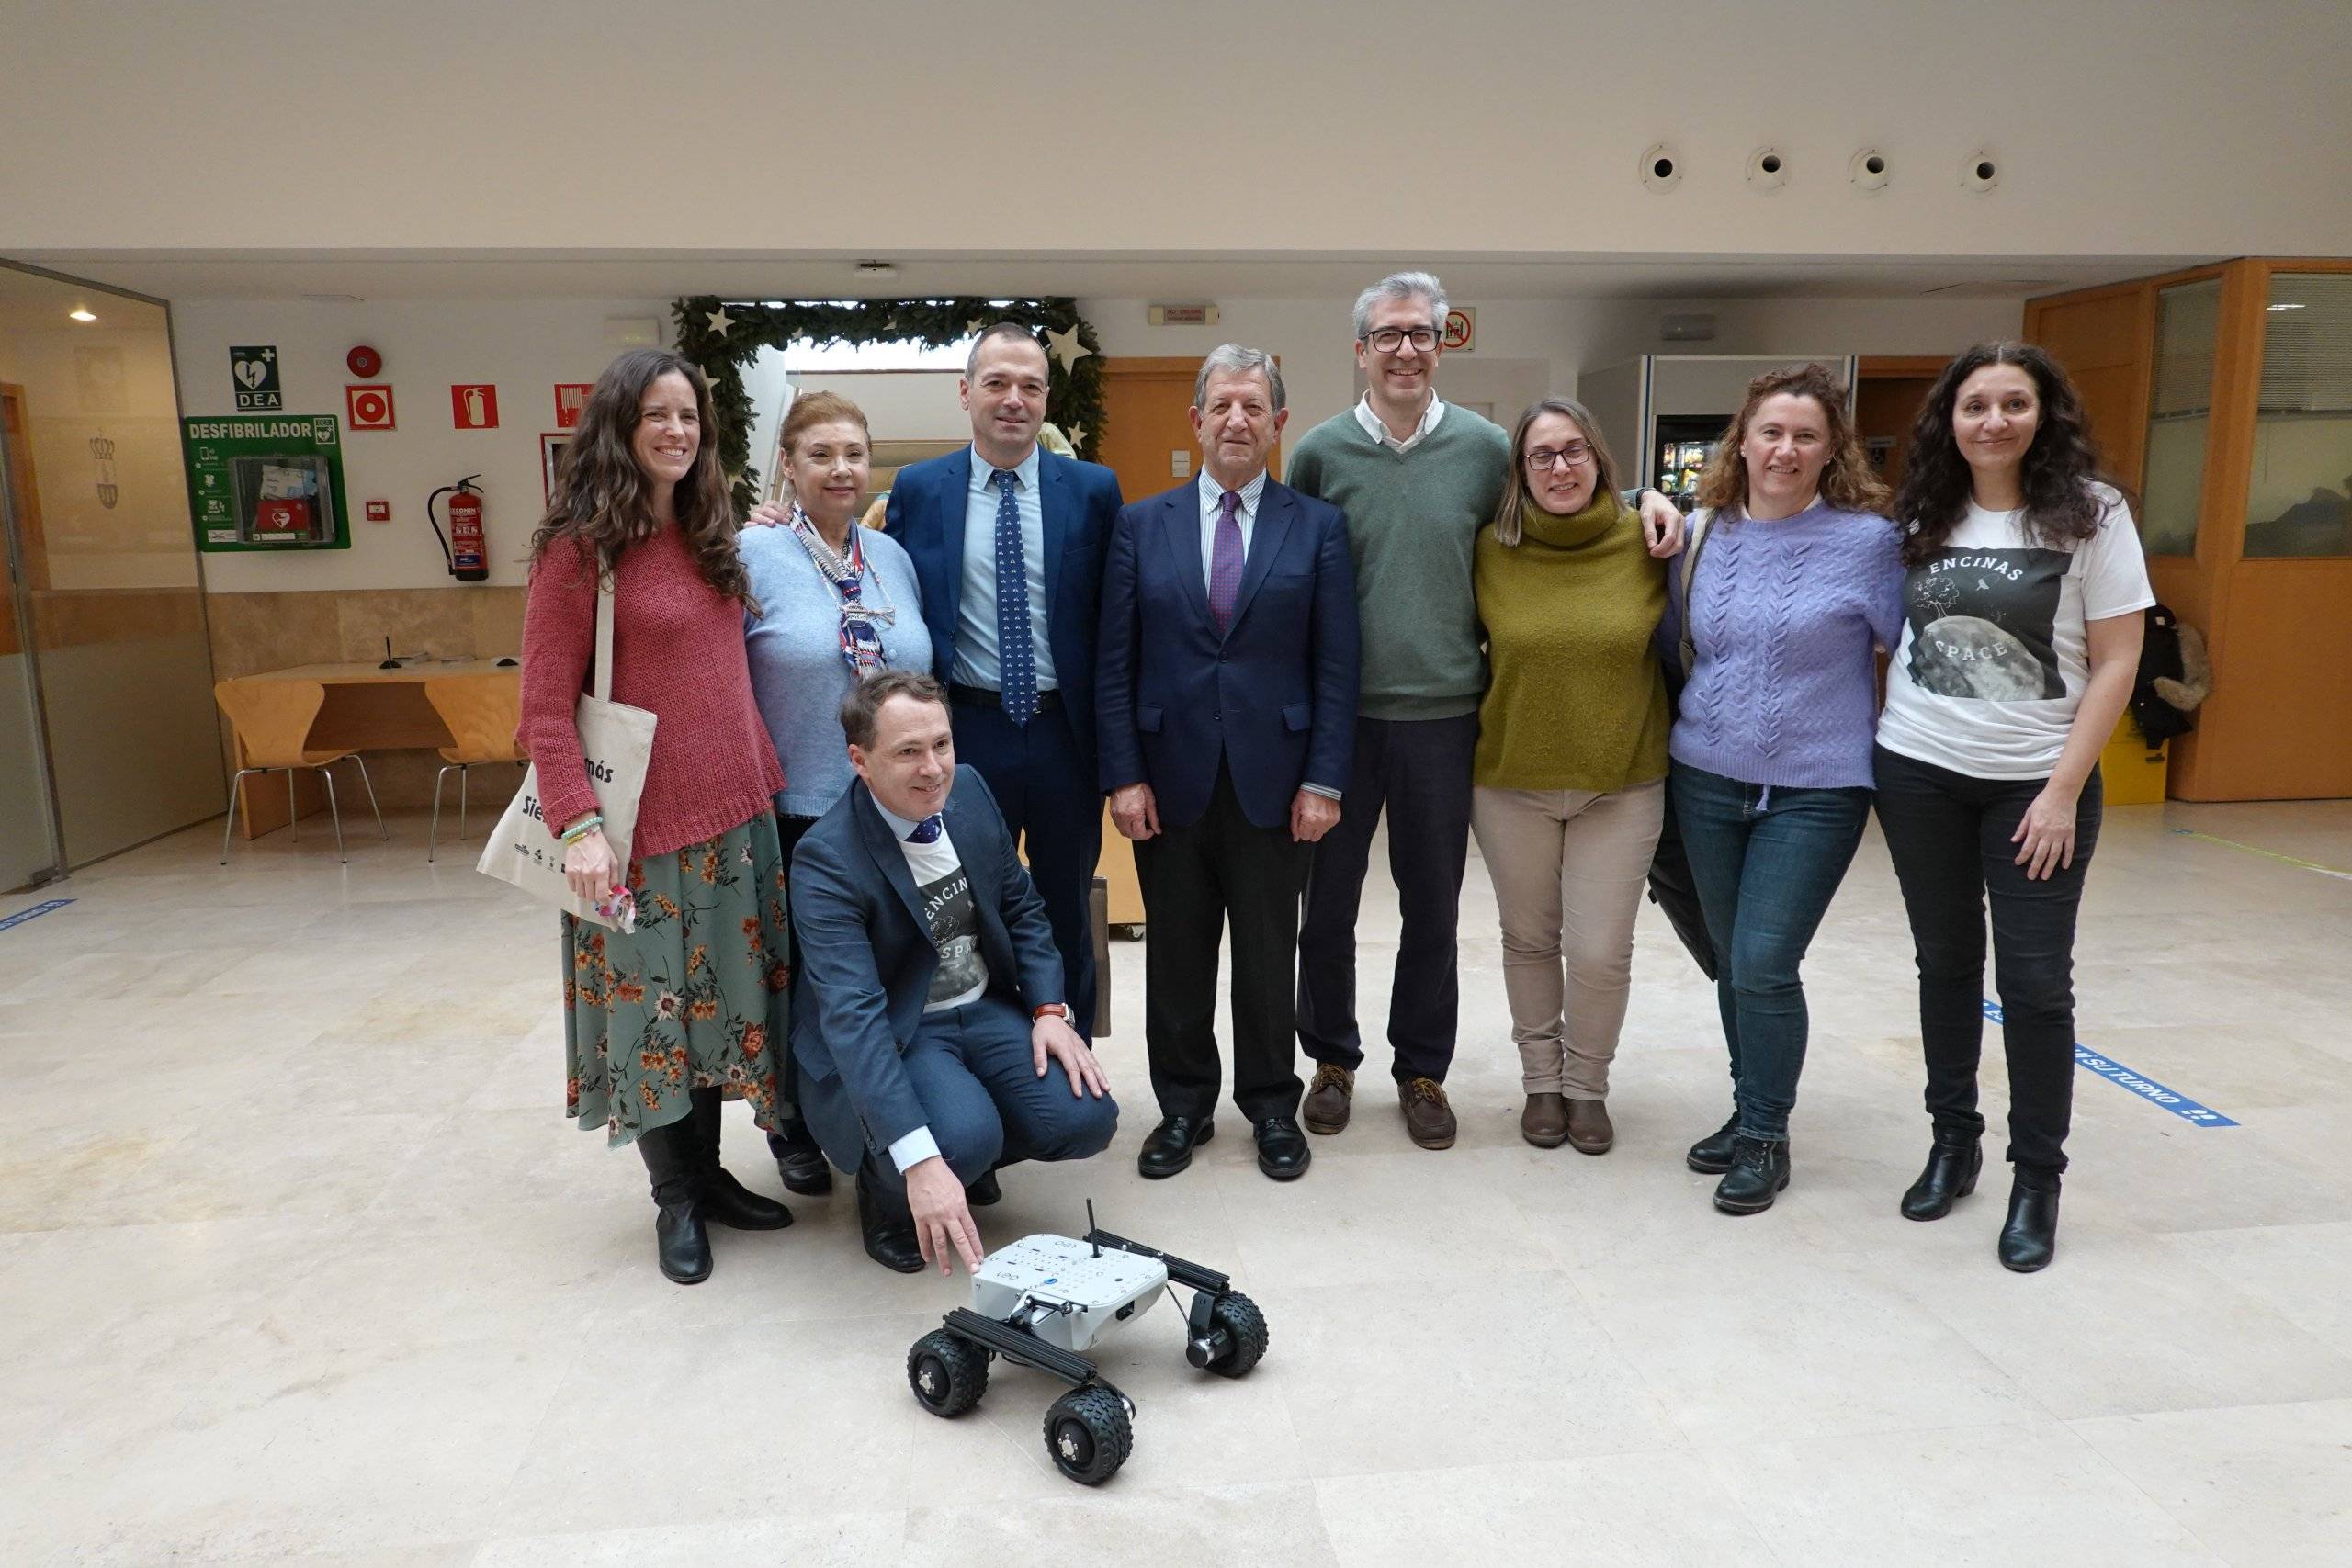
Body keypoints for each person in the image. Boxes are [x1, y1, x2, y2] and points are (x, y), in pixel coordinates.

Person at [1287, 271, 1683, 1150]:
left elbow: (1557, 497)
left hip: (1448, 718)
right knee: (1332, 903)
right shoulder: (1317, 453)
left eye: (1420, 333)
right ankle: (1333, 1059)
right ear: (1360, 349)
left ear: (1442, 343)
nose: (1404, 349)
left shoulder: (1480, 447)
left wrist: (1648, 497)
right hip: (1342, 721)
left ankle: (1422, 1069)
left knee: (1434, 904)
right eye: (1387, 335)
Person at [518, 347, 795, 1286]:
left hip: (735, 821)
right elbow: (544, 712)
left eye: (690, 417)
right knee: (655, 1025)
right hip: (635, 838)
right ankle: (674, 1200)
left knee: (715, 1014)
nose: (678, 432)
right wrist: (577, 829)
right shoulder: (579, 547)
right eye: (658, 416)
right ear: (620, 428)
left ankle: (711, 1176)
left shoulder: (711, 530)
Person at [1874, 343, 2152, 1272]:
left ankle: (2036, 1179)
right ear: (1947, 420)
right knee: (1944, 964)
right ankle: (1952, 1141)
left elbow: (2117, 661)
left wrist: (2063, 791)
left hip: (2038, 787)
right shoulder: (1920, 509)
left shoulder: (2091, 514)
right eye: (1974, 405)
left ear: (2044, 413)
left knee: (2033, 986)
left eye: (2013, 402)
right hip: (1918, 773)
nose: (1993, 420)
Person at [1096, 345, 1358, 1182]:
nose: (1237, 420)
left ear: (1279, 424)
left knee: (1265, 951)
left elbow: (1335, 664)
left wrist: (1323, 779)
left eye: (1255, 407)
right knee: (1175, 955)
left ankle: (1273, 1107)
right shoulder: (1141, 524)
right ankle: (1183, 1106)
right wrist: (1123, 773)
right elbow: (1116, 661)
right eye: (1223, 406)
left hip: (1276, 784)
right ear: (1197, 420)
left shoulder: (1315, 526)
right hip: (1167, 781)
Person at [1658, 362, 1903, 1216]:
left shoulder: (1870, 543)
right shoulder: (1700, 532)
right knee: (1730, 962)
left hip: (1818, 787)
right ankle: (1747, 1105)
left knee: (1764, 962)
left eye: (1805, 434)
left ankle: (1766, 1133)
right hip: (1706, 778)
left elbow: (1917, 655)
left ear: (1832, 447)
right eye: (1771, 431)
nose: (1786, 449)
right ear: (1743, 440)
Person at [790, 670, 1118, 1274]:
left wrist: (1050, 1010)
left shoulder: (968, 792)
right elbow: (855, 1020)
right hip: (898, 1029)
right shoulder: (826, 860)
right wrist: (919, 1159)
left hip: (980, 1006)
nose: (933, 767)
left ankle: (966, 1145)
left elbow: (1023, 907)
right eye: (908, 752)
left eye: (941, 744)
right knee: (962, 1139)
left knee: (1089, 1116)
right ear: (859, 760)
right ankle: (888, 1189)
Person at [884, 324, 1125, 1041]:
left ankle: (1070, 1055)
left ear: (1047, 398)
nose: (1013, 400)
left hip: (1063, 736)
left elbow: (1115, 624)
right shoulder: (921, 489)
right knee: (964, 908)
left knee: (1064, 909)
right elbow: (878, 577)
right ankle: (984, 1054)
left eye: (1030, 386)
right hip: (964, 734)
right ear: (966, 393)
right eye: (997, 383)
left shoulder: (1091, 489)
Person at [739, 390, 932, 1201]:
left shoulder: (891, 557)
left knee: (886, 974)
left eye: (854, 451)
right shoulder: (749, 555)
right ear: (788, 464)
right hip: (799, 809)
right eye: (820, 453)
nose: (841, 468)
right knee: (802, 984)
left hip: (893, 811)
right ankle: (794, 1126)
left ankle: (883, 1118)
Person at [1472, 400, 1671, 1156]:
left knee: (1599, 950)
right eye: (1541, 455)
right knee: (1527, 939)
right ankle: (1541, 1086)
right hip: (1508, 777)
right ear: (1519, 471)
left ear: (1600, 459)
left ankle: (1588, 1086)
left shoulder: (1649, 539)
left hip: (1620, 783)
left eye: (1574, 450)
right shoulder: (1491, 547)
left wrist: (1658, 498)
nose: (1560, 467)